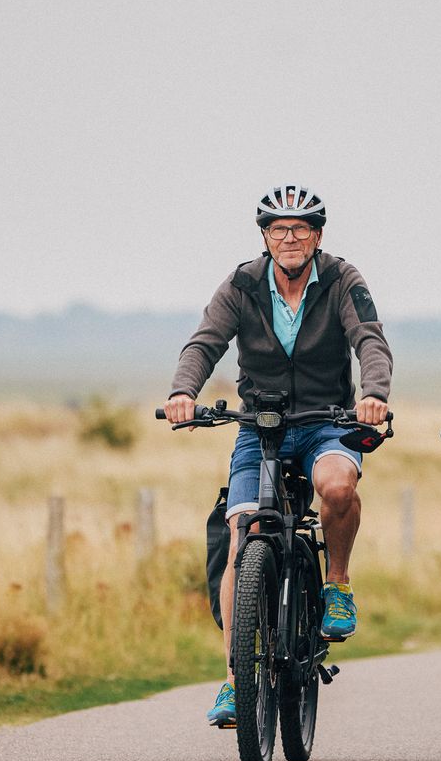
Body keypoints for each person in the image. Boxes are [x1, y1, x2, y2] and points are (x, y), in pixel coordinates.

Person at [163, 185, 393, 727]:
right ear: (265, 237)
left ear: (317, 235)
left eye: (300, 228)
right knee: (241, 531)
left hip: (326, 424)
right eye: (277, 230)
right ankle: (236, 682)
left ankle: (335, 584)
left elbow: (370, 341)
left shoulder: (342, 280)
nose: (289, 238)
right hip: (260, 426)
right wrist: (182, 391)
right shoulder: (242, 283)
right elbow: (205, 342)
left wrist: (374, 395)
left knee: (337, 486)